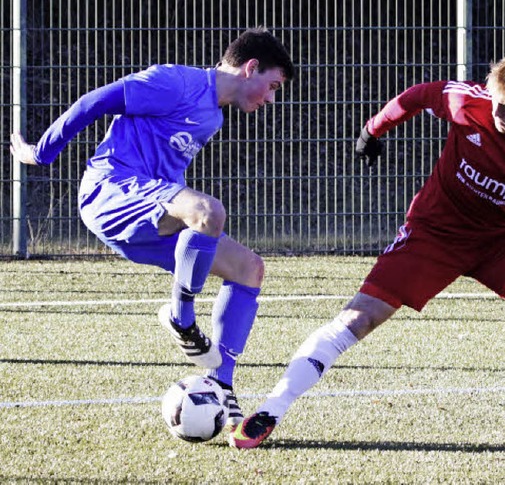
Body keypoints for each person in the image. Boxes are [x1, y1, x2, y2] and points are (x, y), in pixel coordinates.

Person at [230, 50, 505, 448]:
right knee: (358, 318)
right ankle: (271, 409)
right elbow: (419, 95)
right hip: (431, 235)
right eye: (495, 101)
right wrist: (373, 130)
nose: (497, 112)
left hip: (497, 243)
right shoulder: (469, 102)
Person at [10, 26, 295, 428]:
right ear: (251, 67)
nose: (270, 99)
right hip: (111, 193)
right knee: (208, 211)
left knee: (250, 268)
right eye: (273, 86)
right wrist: (42, 152)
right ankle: (181, 317)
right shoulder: (175, 82)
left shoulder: (212, 116)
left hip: (149, 216)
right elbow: (95, 101)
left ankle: (221, 386)